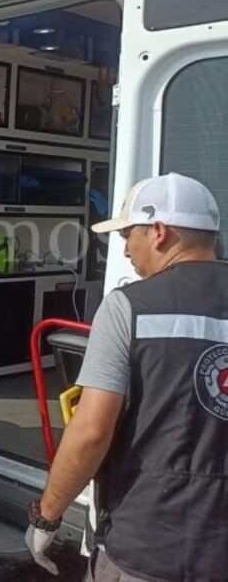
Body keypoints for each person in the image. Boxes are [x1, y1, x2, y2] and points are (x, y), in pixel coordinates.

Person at [25, 173, 228, 581]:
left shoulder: (128, 308)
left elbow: (91, 432)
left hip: (148, 547)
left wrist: (46, 517)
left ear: (158, 232)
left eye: (127, 234)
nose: (123, 246)